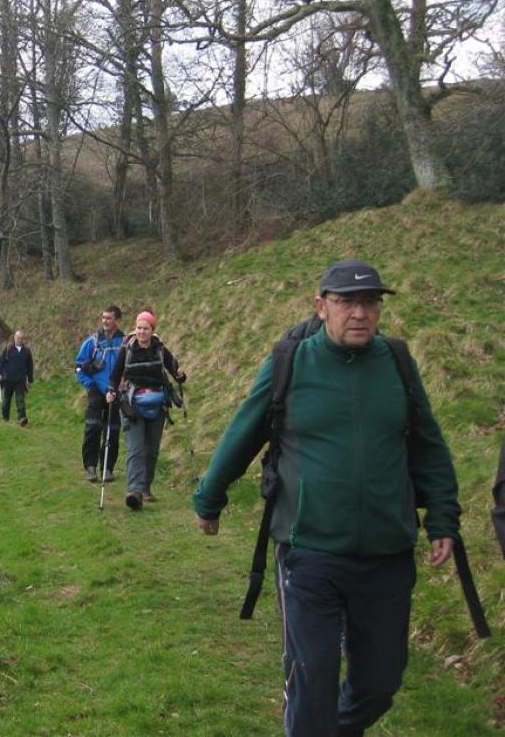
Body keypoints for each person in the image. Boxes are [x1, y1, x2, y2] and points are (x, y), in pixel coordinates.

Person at [193, 260, 460, 737]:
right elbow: (243, 432)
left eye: (370, 302)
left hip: (386, 552)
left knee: (380, 682)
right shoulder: (290, 362)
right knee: (312, 673)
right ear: (321, 307)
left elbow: (428, 445)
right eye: (346, 302)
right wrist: (209, 499)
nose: (359, 313)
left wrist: (442, 518)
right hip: (308, 550)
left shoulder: (397, 363)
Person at [106, 310, 184, 510]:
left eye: (145, 329)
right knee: (136, 448)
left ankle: (146, 487)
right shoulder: (127, 349)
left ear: (152, 331)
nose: (141, 332)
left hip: (158, 404)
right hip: (132, 405)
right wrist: (111, 391)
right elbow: (115, 376)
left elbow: (175, 372)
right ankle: (135, 491)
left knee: (151, 450)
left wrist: (181, 375)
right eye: (138, 328)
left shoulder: (160, 350)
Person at [75, 306, 125, 484]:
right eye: (103, 317)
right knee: (93, 428)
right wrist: (90, 386)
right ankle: (90, 467)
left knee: (113, 430)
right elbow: (79, 367)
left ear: (117, 320)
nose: (105, 321)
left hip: (117, 392)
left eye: (109, 318)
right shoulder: (92, 342)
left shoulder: (125, 342)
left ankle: (108, 468)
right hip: (96, 390)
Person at [0, 330, 34, 426]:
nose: (20, 340)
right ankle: (5, 417)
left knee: (20, 399)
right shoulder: (8, 349)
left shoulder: (26, 351)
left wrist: (30, 378)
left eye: (21, 338)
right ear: (14, 338)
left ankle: (22, 418)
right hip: (8, 378)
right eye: (18, 338)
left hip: (20, 379)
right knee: (7, 399)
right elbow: (1, 362)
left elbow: (30, 366)